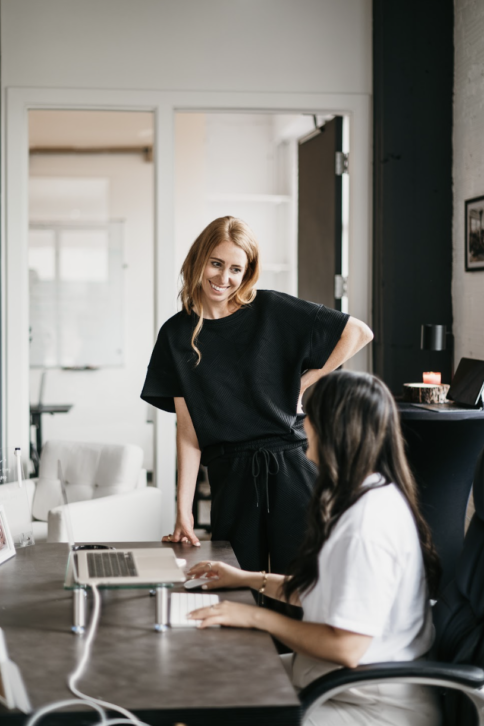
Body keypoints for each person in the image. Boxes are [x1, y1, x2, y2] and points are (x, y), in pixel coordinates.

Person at [186, 371, 443, 726]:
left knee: (216, 708)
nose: (303, 425)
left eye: (309, 416)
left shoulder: (367, 525)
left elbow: (346, 647)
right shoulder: (361, 497)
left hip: (366, 705)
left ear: (334, 429)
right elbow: (328, 594)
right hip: (333, 682)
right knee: (209, 681)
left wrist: (255, 616)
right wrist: (245, 578)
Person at [141, 216, 372, 575]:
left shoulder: (270, 309)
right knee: (236, 587)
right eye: (216, 263)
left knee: (300, 587)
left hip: (293, 470)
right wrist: (183, 510)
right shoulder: (175, 335)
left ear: (247, 272)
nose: (224, 277)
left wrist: (305, 382)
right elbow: (188, 433)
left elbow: (358, 333)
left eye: (236, 269)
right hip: (230, 479)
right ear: (199, 259)